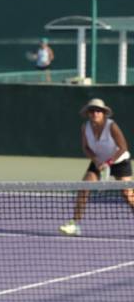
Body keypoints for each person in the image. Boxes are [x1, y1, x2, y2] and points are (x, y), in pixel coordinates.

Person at [59, 98, 134, 236]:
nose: (95, 113)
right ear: (88, 113)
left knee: (128, 195)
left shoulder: (111, 126)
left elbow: (123, 147)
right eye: (92, 110)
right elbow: (86, 148)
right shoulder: (85, 127)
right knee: (83, 187)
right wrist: (97, 161)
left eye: (98, 111)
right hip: (99, 162)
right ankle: (74, 224)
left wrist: (109, 163)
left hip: (119, 161)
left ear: (103, 113)